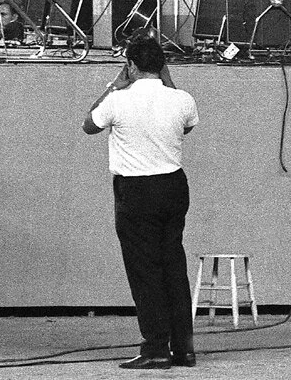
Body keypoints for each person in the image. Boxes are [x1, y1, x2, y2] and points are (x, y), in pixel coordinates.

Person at [83, 39, 198, 370]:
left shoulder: (118, 100)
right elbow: (187, 125)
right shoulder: (182, 99)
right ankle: (184, 348)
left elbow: (88, 124)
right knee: (173, 265)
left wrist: (113, 85)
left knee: (145, 271)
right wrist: (167, 76)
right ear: (162, 65)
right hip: (174, 186)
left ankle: (156, 347)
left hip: (136, 190)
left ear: (130, 66)